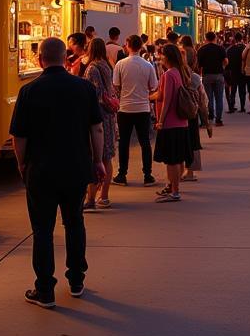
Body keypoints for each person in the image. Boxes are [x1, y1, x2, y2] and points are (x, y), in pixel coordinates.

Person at [11, 38, 105, 307]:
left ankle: (45, 290)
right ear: (66, 59)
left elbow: (19, 136)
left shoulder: (29, 91)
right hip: (76, 166)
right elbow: (96, 128)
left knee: (42, 229)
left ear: (40, 59)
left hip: (41, 170)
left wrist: (21, 164)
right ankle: (76, 279)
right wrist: (97, 161)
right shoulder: (84, 88)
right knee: (74, 222)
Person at [112, 34, 159, 187]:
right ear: (140, 46)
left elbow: (116, 85)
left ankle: (122, 174)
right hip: (143, 108)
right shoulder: (148, 65)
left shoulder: (120, 64)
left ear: (128, 45)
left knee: (124, 142)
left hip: (125, 108)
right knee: (145, 142)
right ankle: (147, 174)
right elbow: (153, 86)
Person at [154, 44, 195, 202]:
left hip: (170, 122)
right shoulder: (180, 72)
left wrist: (160, 120)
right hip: (181, 122)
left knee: (171, 159)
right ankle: (172, 187)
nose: (160, 58)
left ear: (168, 57)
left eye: (162, 55)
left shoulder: (169, 74)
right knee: (178, 158)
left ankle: (175, 191)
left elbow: (167, 99)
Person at [83, 38, 118, 210]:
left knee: (95, 157)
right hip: (109, 115)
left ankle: (90, 199)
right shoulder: (107, 65)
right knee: (107, 157)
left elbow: (94, 94)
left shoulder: (92, 68)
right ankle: (104, 196)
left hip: (98, 116)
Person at [196, 30, 227, 126]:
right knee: (219, 97)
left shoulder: (201, 49)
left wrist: (200, 74)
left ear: (206, 39)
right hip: (219, 75)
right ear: (215, 38)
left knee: (208, 98)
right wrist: (222, 67)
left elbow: (198, 65)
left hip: (207, 75)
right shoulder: (220, 48)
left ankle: (210, 116)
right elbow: (226, 60)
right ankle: (219, 119)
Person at [225, 31, 247, 113]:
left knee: (233, 90)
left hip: (233, 72)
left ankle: (231, 106)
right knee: (242, 90)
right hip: (242, 72)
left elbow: (227, 63)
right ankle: (242, 107)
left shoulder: (230, 49)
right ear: (242, 38)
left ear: (235, 39)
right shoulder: (245, 48)